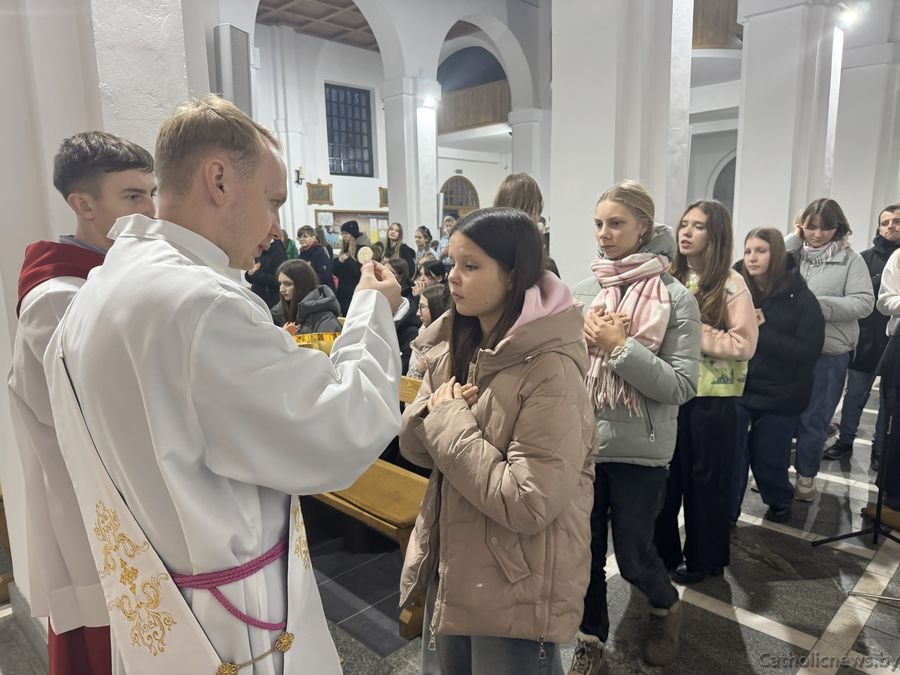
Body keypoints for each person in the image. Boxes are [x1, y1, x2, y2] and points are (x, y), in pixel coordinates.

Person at [43, 95, 403, 675]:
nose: (276, 227)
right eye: (273, 201)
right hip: (231, 622)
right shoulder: (199, 303)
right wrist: (371, 308)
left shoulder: (100, 289)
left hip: (158, 600)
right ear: (218, 179)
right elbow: (340, 427)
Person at [399, 207, 596, 675]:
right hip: (455, 561)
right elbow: (415, 449)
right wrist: (432, 416)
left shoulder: (550, 368)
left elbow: (529, 502)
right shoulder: (455, 343)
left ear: (512, 275)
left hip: (516, 583)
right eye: (453, 263)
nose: (453, 277)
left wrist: (447, 420)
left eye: (471, 266)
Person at [8, 131, 156, 675]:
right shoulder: (57, 296)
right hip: (98, 507)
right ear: (83, 204)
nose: (151, 209)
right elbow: (100, 417)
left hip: (132, 495)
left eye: (151, 193)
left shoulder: (112, 272)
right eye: (133, 196)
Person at [569, 181, 700, 674]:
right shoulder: (584, 291)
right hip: (583, 447)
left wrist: (620, 348)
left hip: (640, 451)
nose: (604, 234)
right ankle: (590, 640)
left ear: (643, 228)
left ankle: (666, 605)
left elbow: (682, 386)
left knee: (633, 557)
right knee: (582, 555)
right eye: (598, 224)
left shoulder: (676, 298)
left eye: (616, 224)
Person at [654, 199, 758, 584]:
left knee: (706, 483)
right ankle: (662, 554)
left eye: (698, 226)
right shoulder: (669, 276)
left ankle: (705, 559)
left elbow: (744, 344)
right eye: (684, 224)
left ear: (715, 235)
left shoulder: (731, 283)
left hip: (712, 398)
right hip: (668, 391)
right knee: (665, 480)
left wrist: (693, 332)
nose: (686, 232)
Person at [731, 228, 825, 525]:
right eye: (748, 251)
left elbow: (808, 351)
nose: (752, 258)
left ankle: (779, 502)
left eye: (761, 251)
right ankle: (727, 513)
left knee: (769, 458)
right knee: (733, 459)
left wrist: (763, 330)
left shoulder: (802, 299)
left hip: (781, 394)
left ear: (778, 256)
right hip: (737, 387)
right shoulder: (735, 291)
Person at [784, 198, 874, 500]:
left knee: (815, 418)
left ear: (838, 228)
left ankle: (806, 476)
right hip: (788, 349)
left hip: (830, 351)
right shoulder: (792, 255)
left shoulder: (851, 260)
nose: (817, 234)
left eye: (826, 228)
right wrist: (793, 238)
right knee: (782, 415)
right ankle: (776, 474)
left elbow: (864, 303)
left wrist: (816, 306)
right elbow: (768, 261)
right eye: (810, 227)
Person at [823, 204, 900, 471]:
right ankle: (845, 440)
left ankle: (880, 447)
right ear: (878, 227)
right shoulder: (864, 259)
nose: (890, 226)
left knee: (888, 399)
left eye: (896, 221)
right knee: (855, 393)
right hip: (866, 340)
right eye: (885, 222)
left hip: (894, 341)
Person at [271, 259, 341, 334]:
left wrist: (287, 337)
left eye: (288, 284)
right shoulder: (279, 313)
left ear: (303, 284)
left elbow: (327, 341)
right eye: (280, 284)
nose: (282, 289)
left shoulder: (325, 318)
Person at [407, 284, 450, 379]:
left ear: (436, 308)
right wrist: (419, 369)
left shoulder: (447, 345)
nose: (418, 313)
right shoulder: (422, 331)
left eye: (422, 307)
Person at [332, 220, 371, 316]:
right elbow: (336, 272)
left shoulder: (362, 250)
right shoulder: (344, 249)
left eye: (346, 233)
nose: (344, 236)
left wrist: (348, 260)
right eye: (342, 234)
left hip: (356, 291)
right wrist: (339, 262)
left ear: (352, 234)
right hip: (343, 291)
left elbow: (360, 272)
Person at [245, 229, 288, 308]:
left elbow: (279, 281)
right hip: (257, 299)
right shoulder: (259, 251)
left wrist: (256, 274)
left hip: (272, 302)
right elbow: (252, 277)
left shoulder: (278, 253)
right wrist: (249, 274)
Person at [296, 224, 335, 290]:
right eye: (299, 237)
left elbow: (325, 276)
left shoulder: (319, 252)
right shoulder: (302, 253)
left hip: (321, 291)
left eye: (305, 236)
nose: (301, 239)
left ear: (313, 238)